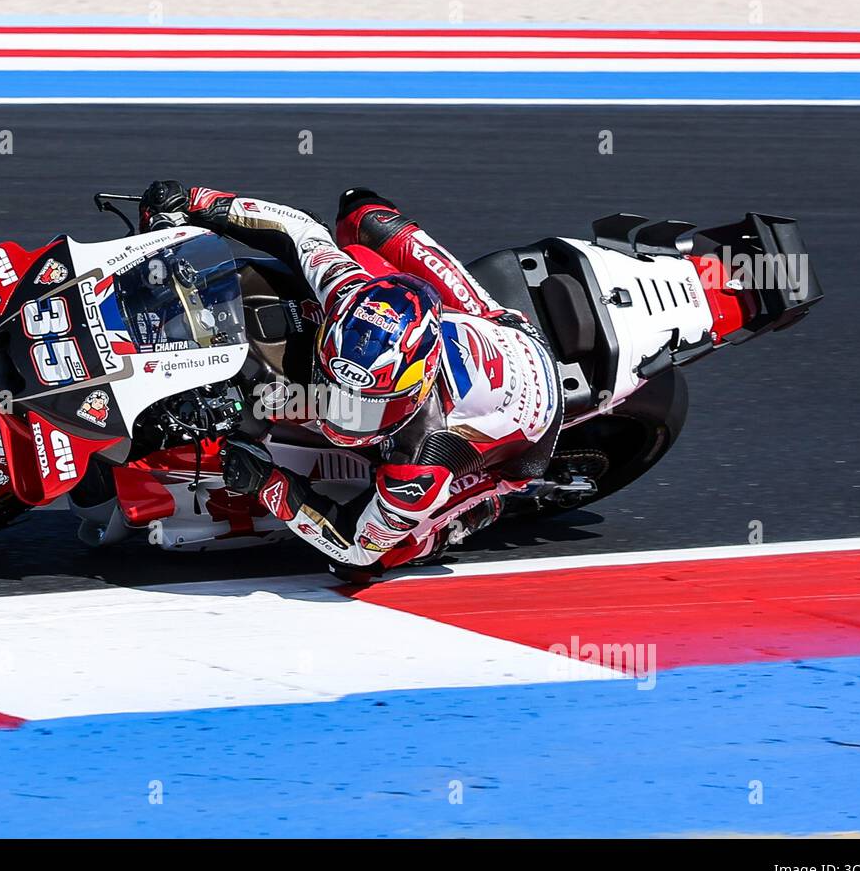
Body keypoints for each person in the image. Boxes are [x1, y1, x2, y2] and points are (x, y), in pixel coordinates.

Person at [138, 181, 563, 576]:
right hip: (478, 333)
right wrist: (196, 203)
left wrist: (269, 484)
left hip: (526, 411)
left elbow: (356, 546)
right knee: (361, 211)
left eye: (367, 405)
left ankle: (476, 513)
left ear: (413, 391)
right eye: (338, 389)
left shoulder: (423, 456)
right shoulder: (347, 294)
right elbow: (298, 228)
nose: (345, 413)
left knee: (371, 561)